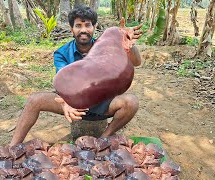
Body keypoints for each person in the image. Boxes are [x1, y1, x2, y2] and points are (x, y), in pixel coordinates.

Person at [9, 5, 143, 146]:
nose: (83, 30)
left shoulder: (107, 46)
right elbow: (63, 81)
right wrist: (66, 103)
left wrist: (126, 41)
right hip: (73, 105)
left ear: (95, 27)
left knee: (131, 102)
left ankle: (104, 139)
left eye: (87, 25)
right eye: (78, 25)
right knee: (34, 100)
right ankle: (12, 147)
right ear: (71, 28)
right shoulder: (62, 53)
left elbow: (136, 62)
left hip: (103, 104)